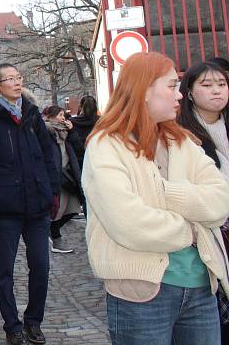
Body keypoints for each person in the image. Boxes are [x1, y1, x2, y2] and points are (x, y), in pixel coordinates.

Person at [83, 52, 229, 345]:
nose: (179, 95)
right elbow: (129, 224)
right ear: (144, 89)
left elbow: (221, 201)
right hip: (141, 293)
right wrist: (191, 229)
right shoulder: (106, 146)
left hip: (201, 286)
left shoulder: (182, 140)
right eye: (172, 86)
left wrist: (166, 193)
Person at [0, 63, 58, 345]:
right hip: (4, 208)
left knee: (40, 266)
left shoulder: (31, 113)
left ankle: (33, 321)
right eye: (10, 79)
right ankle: (12, 325)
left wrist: (53, 191)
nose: (17, 82)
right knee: (4, 271)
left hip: (37, 206)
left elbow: (48, 154)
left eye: (19, 77)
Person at [177, 60, 229, 343]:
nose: (217, 91)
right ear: (190, 92)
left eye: (222, 84)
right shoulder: (181, 134)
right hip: (211, 233)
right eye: (207, 86)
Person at [42, 106, 83, 254]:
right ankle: (56, 238)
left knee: (73, 208)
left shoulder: (65, 131)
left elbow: (79, 148)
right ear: (52, 117)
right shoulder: (46, 131)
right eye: (59, 115)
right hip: (55, 175)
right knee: (57, 209)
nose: (63, 117)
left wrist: (72, 131)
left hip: (68, 174)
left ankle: (51, 231)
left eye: (63, 115)